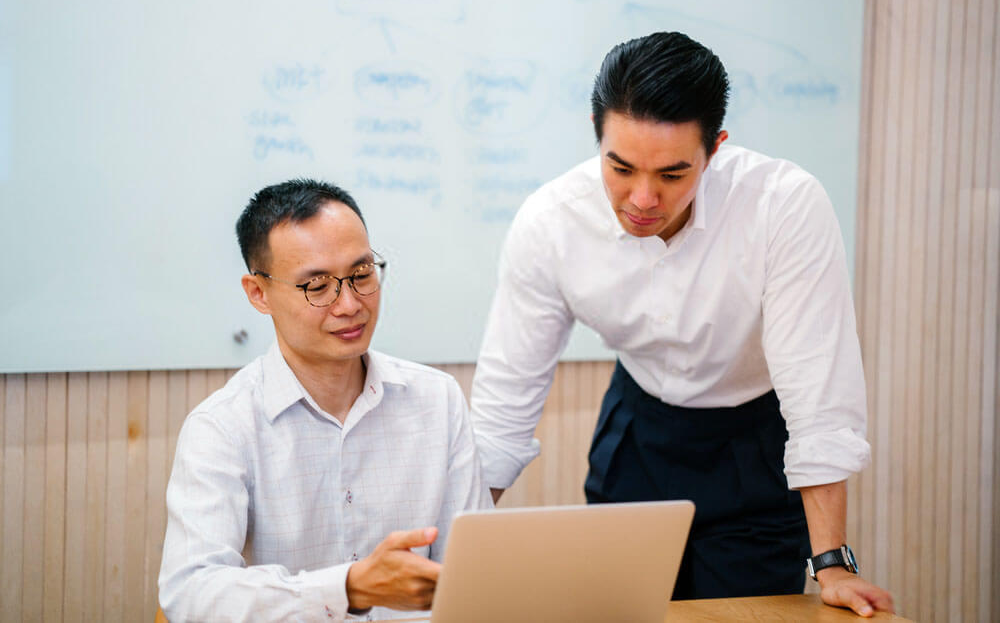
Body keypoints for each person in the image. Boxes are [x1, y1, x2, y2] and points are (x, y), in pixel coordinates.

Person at [469, 31, 894, 616]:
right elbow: (503, 410)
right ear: (597, 132)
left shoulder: (784, 206)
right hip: (637, 432)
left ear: (715, 148)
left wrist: (831, 563)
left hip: (754, 442)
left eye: (672, 174)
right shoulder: (551, 223)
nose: (642, 198)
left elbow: (818, 396)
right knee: (621, 612)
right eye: (620, 168)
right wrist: (451, 549)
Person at [159, 179, 491, 621]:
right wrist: (347, 588)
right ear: (259, 293)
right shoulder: (223, 426)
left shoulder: (437, 400)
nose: (350, 304)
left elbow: (475, 575)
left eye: (361, 274)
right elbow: (192, 593)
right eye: (317, 286)